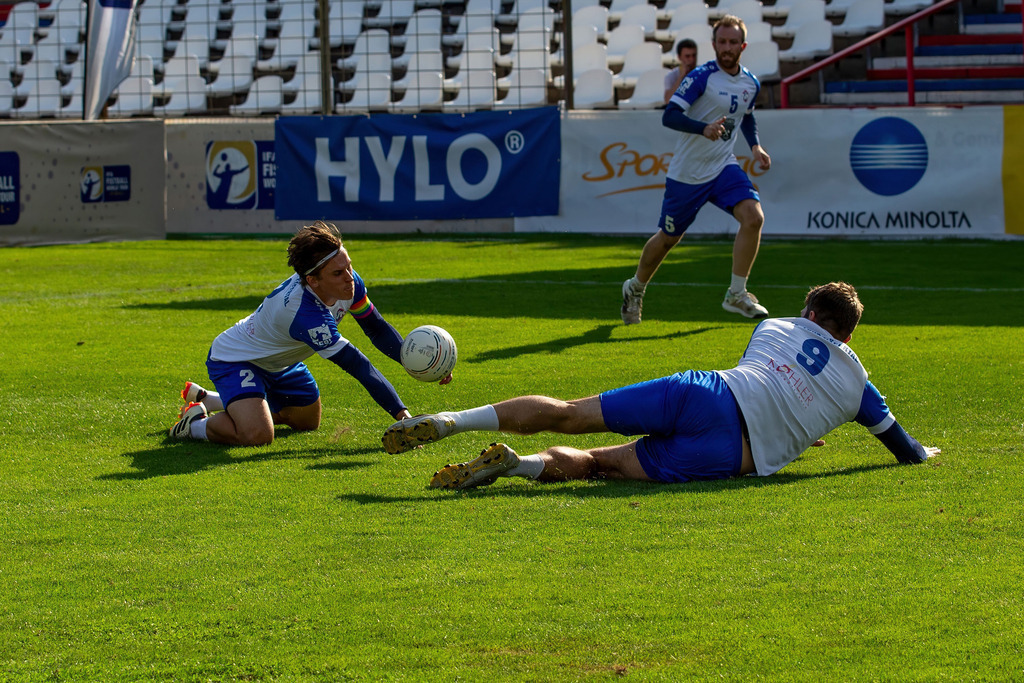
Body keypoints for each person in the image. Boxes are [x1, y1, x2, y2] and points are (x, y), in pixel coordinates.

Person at [382, 282, 939, 490]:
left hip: (706, 393)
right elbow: (903, 448)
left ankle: (453, 420)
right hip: (729, 450)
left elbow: (769, 378)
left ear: (810, 314)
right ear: (847, 334)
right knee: (598, 463)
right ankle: (519, 466)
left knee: (571, 412)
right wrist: (922, 453)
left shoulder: (775, 326)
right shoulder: (858, 384)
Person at [170, 220, 449, 446]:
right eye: (338, 273)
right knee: (258, 435)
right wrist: (404, 417)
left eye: (349, 265)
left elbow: (376, 329)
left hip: (280, 362)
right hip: (236, 359)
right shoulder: (306, 315)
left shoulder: (348, 283)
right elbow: (358, 366)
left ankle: (211, 399)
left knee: (305, 421)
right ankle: (194, 424)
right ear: (313, 280)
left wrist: (418, 364)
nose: (349, 277)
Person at [622, 15, 772, 325]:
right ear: (714, 44)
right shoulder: (702, 77)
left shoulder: (751, 82)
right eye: (722, 42)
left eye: (733, 42)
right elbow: (670, 115)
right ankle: (635, 288)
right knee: (668, 238)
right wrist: (702, 128)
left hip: (723, 165)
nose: (727, 47)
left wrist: (755, 146)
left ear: (742, 46)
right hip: (688, 173)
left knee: (754, 217)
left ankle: (736, 294)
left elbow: (746, 115)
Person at [663, 38, 699, 105]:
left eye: (694, 55)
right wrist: (681, 77)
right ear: (679, 57)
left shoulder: (702, 73)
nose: (692, 59)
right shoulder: (671, 76)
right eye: (687, 56)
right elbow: (668, 100)